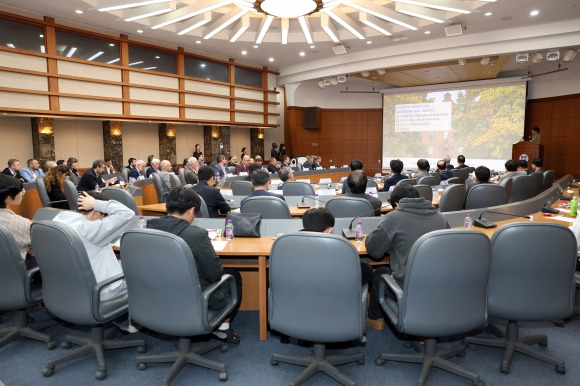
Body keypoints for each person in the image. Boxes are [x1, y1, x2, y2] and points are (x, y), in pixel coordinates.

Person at [147, 187, 242, 343]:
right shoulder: (196, 235)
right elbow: (214, 274)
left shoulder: (148, 229)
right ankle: (223, 329)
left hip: (158, 294)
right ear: (191, 211)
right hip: (194, 297)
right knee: (233, 274)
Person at [365, 185, 450, 331]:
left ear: (397, 204)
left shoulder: (394, 217)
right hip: (440, 285)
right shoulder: (441, 217)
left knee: (379, 273)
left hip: (409, 287)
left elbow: (374, 251)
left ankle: (375, 319)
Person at [53, 191, 134, 301]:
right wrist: (97, 204)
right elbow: (127, 213)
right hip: (101, 290)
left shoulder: (59, 220)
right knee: (141, 281)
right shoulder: (89, 229)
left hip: (71, 286)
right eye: (104, 216)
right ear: (97, 212)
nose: (102, 220)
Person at [302, 207, 373, 284]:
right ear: (330, 229)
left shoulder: (290, 247)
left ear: (304, 227)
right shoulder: (340, 249)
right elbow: (365, 272)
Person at [0, 175, 37, 269]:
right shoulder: (22, 224)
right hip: (15, 270)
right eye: (19, 192)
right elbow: (41, 243)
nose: (22, 194)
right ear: (7, 198)